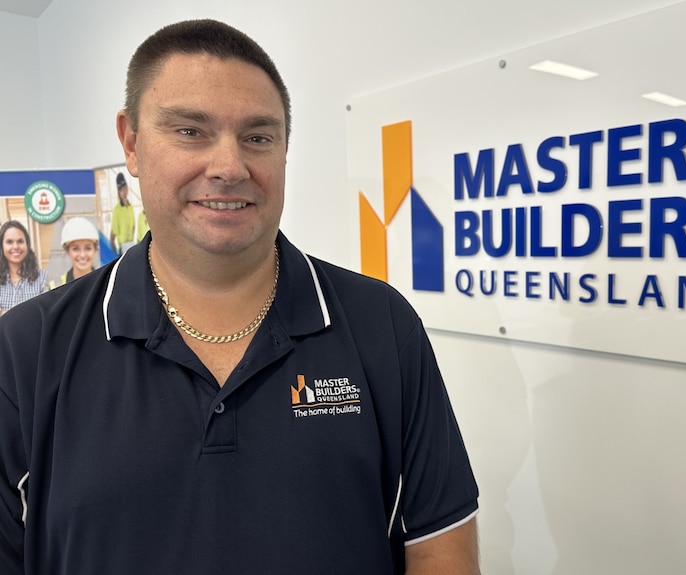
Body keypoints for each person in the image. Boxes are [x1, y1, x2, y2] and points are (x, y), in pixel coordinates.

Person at [0, 19, 479, 575]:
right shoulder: (26, 351)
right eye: (189, 131)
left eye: (257, 137)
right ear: (131, 143)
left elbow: (438, 543)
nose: (229, 167)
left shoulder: (382, 325)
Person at [0, 220, 47, 315]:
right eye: (9, 242)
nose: (16, 246)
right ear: (2, 246)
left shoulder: (43, 278)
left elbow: (46, 312)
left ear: (27, 245)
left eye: (20, 241)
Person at [50, 216, 100, 288]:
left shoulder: (108, 283)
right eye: (76, 249)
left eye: (88, 248)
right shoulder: (55, 288)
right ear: (67, 251)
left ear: (95, 250)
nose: (82, 255)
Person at [109, 171, 135, 254]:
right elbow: (112, 237)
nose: (124, 192)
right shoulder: (117, 210)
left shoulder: (130, 207)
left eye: (125, 188)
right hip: (122, 248)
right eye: (121, 190)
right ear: (119, 192)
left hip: (131, 246)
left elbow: (133, 226)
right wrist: (115, 254)